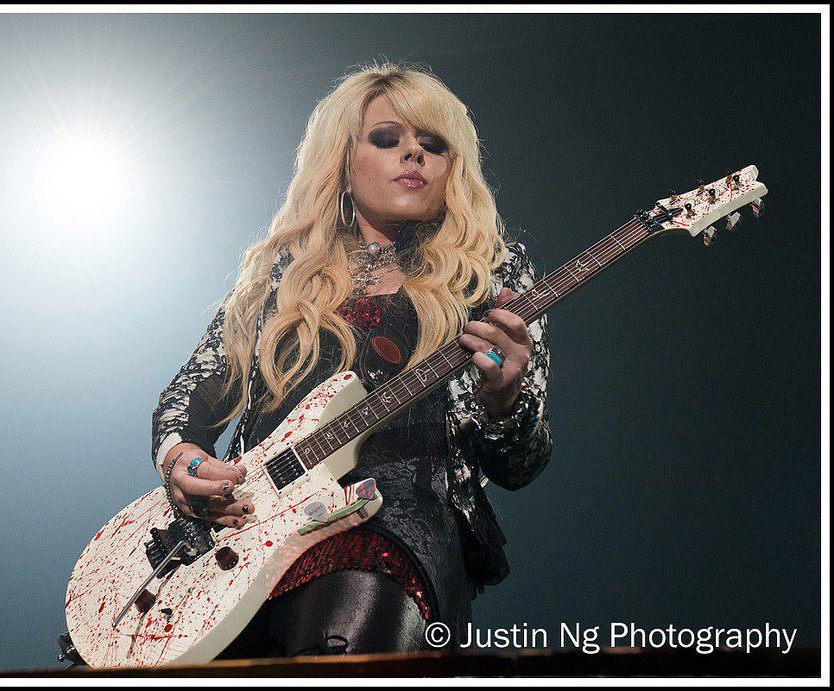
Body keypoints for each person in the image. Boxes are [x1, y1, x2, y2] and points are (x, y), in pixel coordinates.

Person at [151, 62, 552, 658]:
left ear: (454, 168)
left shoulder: (491, 273)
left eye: (433, 144)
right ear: (342, 162)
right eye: (387, 138)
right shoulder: (282, 276)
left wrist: (506, 401)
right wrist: (183, 459)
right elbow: (193, 392)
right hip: (245, 534)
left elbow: (520, 463)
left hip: (392, 530)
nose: (413, 154)